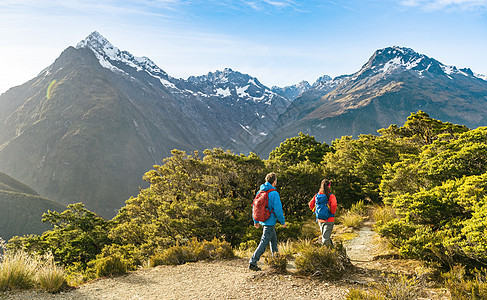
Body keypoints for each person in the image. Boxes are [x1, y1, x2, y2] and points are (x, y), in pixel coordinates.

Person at [248, 172, 286, 271]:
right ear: (274, 181)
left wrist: (255, 220)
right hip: (270, 221)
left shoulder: (260, 192)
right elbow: (278, 210)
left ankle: (276, 259)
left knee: (273, 240)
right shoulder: (274, 193)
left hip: (264, 220)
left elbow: (255, 207)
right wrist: (283, 221)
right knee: (264, 242)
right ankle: (253, 262)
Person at [309, 179, 337, 247]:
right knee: (326, 238)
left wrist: (316, 211)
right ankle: (330, 254)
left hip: (320, 220)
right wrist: (331, 213)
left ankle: (334, 253)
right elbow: (334, 205)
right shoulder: (331, 196)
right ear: (329, 186)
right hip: (329, 220)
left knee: (326, 237)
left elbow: (310, 204)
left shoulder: (317, 195)